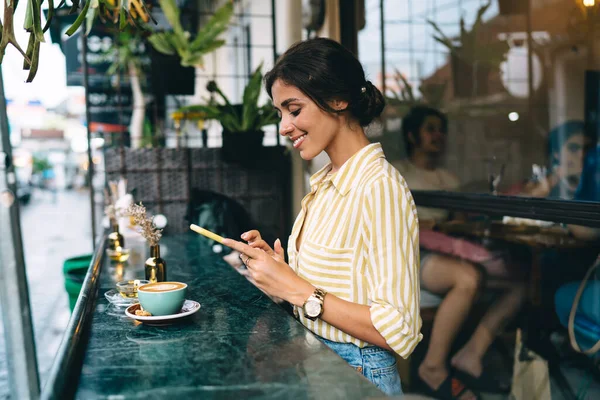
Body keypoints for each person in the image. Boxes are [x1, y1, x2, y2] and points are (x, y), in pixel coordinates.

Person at [221, 37, 422, 396]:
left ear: (338, 100)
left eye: (293, 110)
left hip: (359, 374)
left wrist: (296, 289)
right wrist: (281, 270)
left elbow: (398, 329)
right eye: (280, 113)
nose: (284, 126)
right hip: (323, 364)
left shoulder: (379, 187)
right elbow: (337, 287)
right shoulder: (328, 181)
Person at [394, 106, 526, 399]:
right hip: (411, 256)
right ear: (412, 135)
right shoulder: (397, 172)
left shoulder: (449, 178)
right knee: (467, 277)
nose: (438, 135)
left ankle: (472, 354)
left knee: (519, 285)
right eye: (430, 129)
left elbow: (461, 225)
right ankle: (433, 366)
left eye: (441, 129)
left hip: (448, 254)